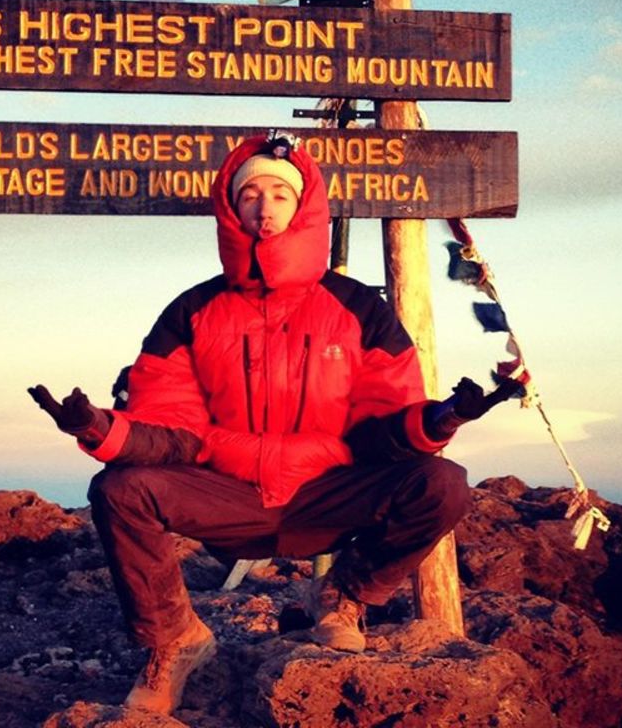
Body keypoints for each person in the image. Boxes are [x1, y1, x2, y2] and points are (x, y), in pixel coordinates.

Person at [29, 130, 494, 715]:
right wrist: (101, 427)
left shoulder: (358, 309)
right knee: (120, 488)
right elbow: (173, 429)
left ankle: (343, 596)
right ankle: (175, 641)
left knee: (442, 482)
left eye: (279, 192)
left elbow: (380, 429)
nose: (264, 206)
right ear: (231, 206)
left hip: (326, 494)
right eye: (251, 194)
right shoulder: (192, 310)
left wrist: (444, 416)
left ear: (303, 205)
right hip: (228, 493)